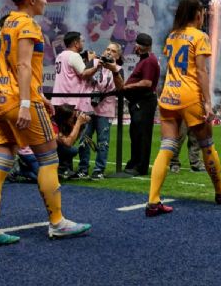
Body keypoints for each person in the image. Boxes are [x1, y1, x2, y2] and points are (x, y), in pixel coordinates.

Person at [0, 0, 91, 249]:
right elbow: (24, 66)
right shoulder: (28, 25)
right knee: (49, 159)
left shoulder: (7, 25)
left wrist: (42, 100)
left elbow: (11, 67)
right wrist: (30, 103)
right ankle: (58, 223)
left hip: (0, 101)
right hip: (20, 102)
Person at [145, 0, 221, 216]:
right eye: (203, 13)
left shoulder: (171, 37)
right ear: (197, 15)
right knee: (207, 144)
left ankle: (152, 201)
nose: (204, 16)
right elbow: (201, 71)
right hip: (190, 96)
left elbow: (170, 67)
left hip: (168, 95)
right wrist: (207, 101)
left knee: (167, 147)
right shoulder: (200, 36)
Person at [52, 32, 101, 179]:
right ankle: (64, 168)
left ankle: (63, 167)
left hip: (58, 100)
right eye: (82, 41)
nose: (83, 43)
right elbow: (84, 73)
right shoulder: (74, 56)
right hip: (69, 101)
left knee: (61, 135)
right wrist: (96, 63)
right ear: (75, 43)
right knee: (68, 136)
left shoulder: (60, 55)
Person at [78, 42, 125, 180]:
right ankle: (83, 169)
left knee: (102, 142)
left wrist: (114, 70)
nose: (109, 52)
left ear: (118, 55)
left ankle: (99, 170)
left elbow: (121, 88)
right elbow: (83, 75)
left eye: (113, 51)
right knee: (84, 139)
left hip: (105, 110)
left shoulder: (118, 69)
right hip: (88, 107)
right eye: (107, 49)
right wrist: (96, 68)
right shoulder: (94, 62)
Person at [122, 33, 160, 176]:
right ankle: (135, 162)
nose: (135, 47)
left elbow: (147, 82)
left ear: (140, 46)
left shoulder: (149, 61)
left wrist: (126, 87)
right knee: (136, 133)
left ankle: (140, 166)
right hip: (140, 101)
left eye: (136, 45)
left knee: (142, 134)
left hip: (144, 101)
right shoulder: (145, 60)